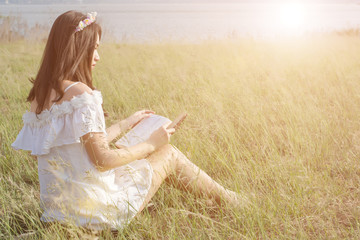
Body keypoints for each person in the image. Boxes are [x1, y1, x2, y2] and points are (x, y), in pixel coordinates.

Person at [11, 10, 245, 231]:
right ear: (78, 49)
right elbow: (102, 160)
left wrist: (125, 124)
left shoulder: (40, 97)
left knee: (140, 153)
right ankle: (232, 201)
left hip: (59, 212)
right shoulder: (81, 95)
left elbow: (71, 144)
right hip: (97, 212)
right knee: (168, 154)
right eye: (94, 48)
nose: (98, 57)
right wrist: (152, 144)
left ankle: (221, 198)